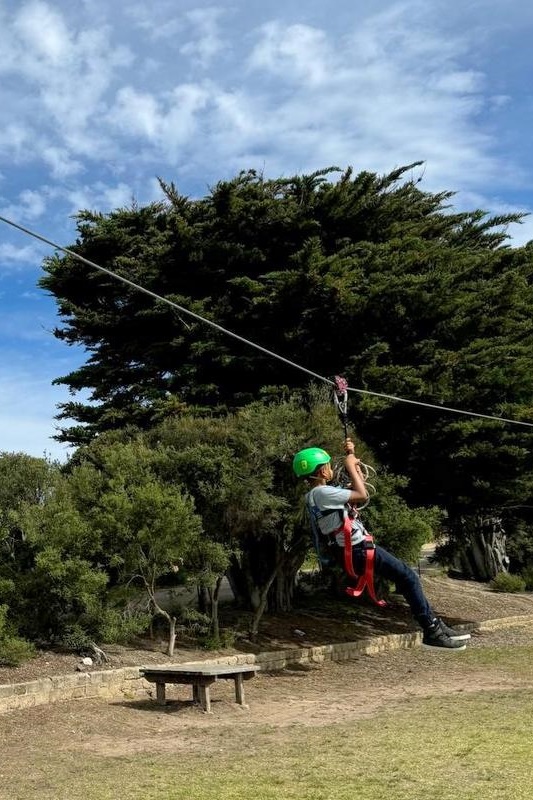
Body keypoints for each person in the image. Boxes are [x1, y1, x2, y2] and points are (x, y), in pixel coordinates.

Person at [293, 438, 470, 651]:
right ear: (321, 471)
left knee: (405, 579)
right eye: (328, 466)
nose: (331, 469)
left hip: (353, 550)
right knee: (409, 577)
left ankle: (435, 625)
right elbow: (362, 494)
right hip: (357, 549)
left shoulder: (316, 494)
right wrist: (350, 465)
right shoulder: (322, 493)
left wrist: (353, 458)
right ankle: (432, 631)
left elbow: (357, 487)